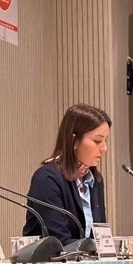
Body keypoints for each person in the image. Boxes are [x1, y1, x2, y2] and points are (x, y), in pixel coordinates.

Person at [25, 104, 111, 244]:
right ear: (74, 140)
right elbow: (58, 240)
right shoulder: (47, 179)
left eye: (105, 140)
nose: (104, 148)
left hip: (84, 258)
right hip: (52, 258)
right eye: (97, 141)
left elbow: (100, 237)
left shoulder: (95, 180)